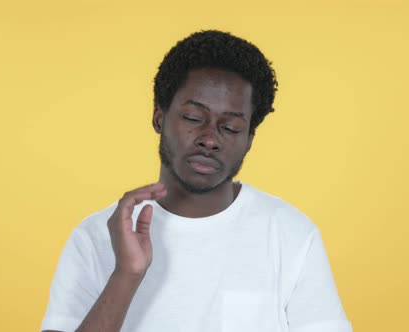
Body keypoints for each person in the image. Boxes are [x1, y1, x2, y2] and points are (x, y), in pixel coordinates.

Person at [41, 30, 352, 332]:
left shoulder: (292, 236)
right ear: (159, 117)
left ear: (249, 140)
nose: (209, 139)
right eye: (193, 118)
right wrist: (126, 274)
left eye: (229, 127)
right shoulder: (95, 237)